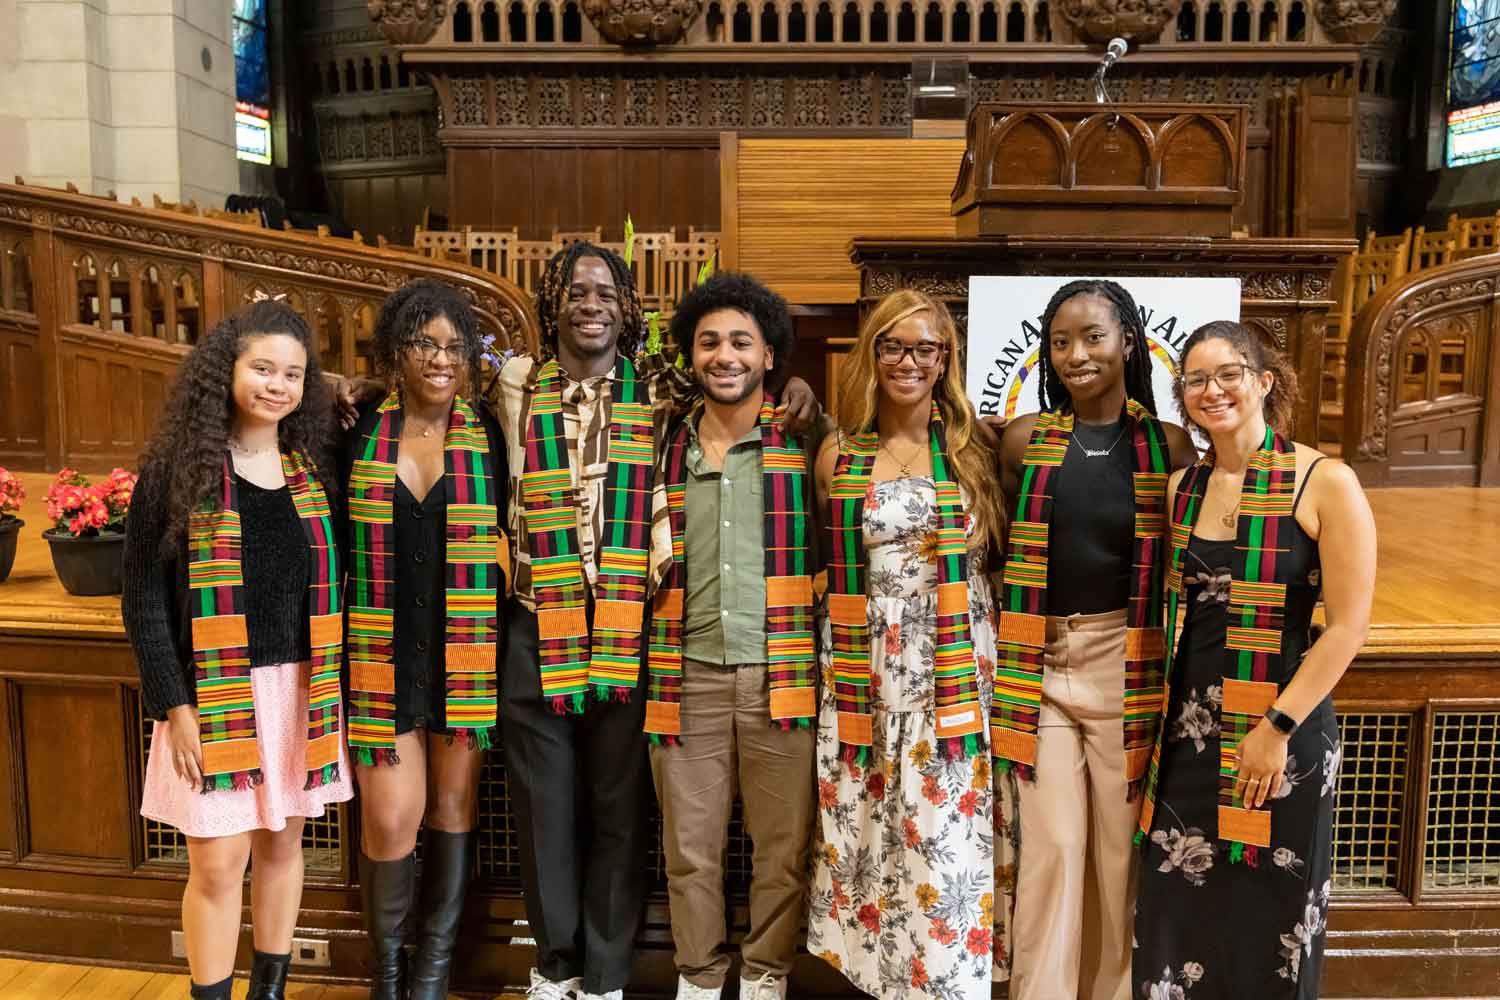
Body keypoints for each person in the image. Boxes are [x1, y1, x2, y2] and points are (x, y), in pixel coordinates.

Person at [490, 243, 819, 1000]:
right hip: (537, 620)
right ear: (552, 301)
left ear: (629, 306)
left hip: (627, 631)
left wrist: (800, 388)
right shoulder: (512, 386)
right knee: (550, 812)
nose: (590, 303)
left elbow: (753, 383)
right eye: (575, 291)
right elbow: (427, 397)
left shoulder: (662, 396)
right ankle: (557, 966)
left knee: (620, 808)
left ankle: (609, 975)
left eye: (606, 291)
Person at [1133, 321, 1375, 999]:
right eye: (1197, 380)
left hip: (1282, 735)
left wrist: (1275, 729)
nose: (1214, 390)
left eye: (1229, 373)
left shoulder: (1324, 481)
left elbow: (1348, 627)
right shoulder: (1183, 485)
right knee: (1176, 913)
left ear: (1265, 381)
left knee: (1271, 920)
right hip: (1187, 737)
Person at [125, 301, 351, 1000]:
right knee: (220, 866)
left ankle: (270, 991)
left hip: (299, 691)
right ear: (226, 370)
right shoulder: (177, 470)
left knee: (285, 849)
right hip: (217, 696)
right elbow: (142, 599)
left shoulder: (312, 471)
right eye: (262, 368)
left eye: (292, 373)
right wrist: (175, 706)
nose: (277, 385)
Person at [807, 289, 1017, 1000]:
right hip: (868, 659)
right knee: (872, 828)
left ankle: (950, 981)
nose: (908, 360)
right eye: (893, 346)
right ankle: (881, 980)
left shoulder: (973, 448)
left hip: (955, 659)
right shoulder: (841, 452)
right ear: (872, 354)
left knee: (945, 829)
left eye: (925, 348)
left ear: (945, 359)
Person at [994, 279, 1197, 1000]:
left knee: (1118, 855)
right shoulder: (1025, 438)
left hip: (1124, 662)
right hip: (1039, 660)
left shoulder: (1166, 445)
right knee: (1051, 848)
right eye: (1060, 341)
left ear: (1129, 343)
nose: (1076, 354)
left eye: (1093, 337)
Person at [646, 272, 832, 1000]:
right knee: (689, 849)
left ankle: (764, 975)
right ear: (692, 354)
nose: (725, 355)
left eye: (741, 342)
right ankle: (698, 977)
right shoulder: (663, 442)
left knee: (780, 849)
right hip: (683, 671)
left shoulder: (806, 438)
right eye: (710, 341)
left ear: (769, 356)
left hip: (778, 673)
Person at [341, 279, 508, 1000]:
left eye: (454, 346)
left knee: (449, 811)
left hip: (463, 655)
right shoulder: (355, 430)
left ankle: (430, 979)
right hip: (382, 655)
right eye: (423, 343)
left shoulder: (489, 433)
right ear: (394, 353)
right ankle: (388, 977)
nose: (441, 359)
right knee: (389, 819)